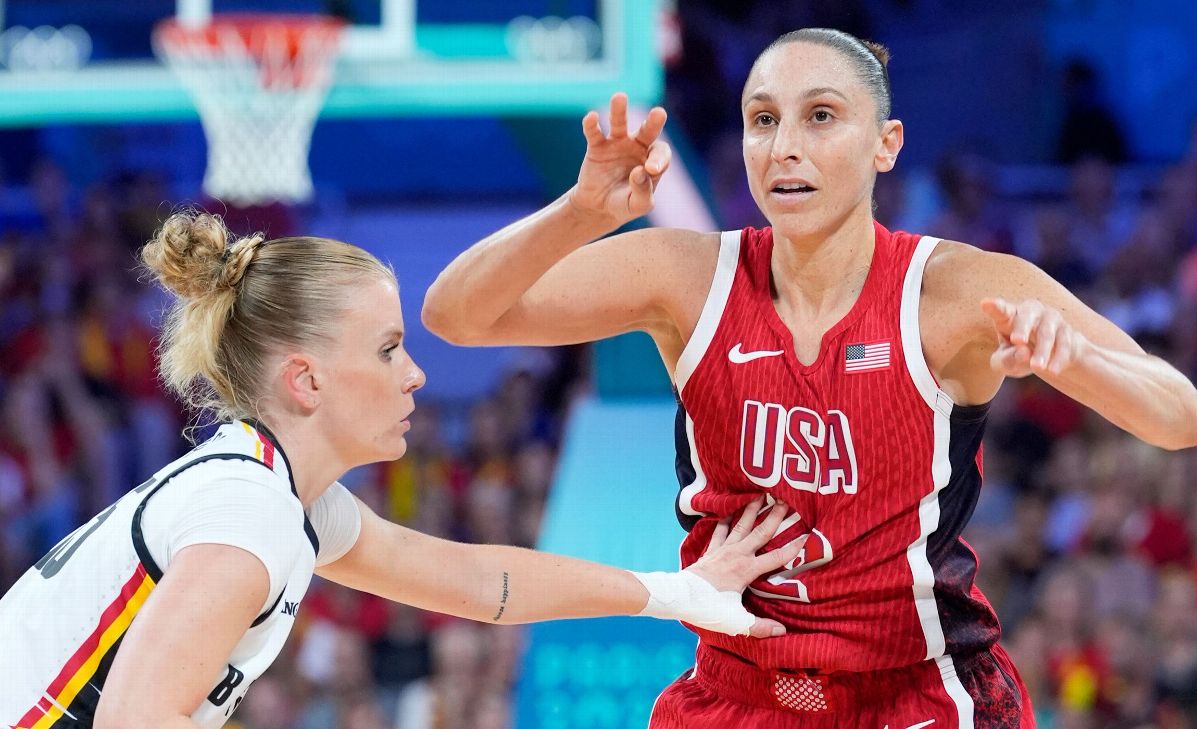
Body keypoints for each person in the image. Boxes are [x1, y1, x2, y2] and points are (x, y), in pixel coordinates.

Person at [421, 27, 1197, 728]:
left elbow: (1180, 416)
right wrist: (581, 212)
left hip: (918, 692)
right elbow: (456, 315)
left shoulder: (957, 290)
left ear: (886, 143)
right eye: (763, 119)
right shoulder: (687, 276)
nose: (784, 145)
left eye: (820, 116)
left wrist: (1081, 360)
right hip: (736, 692)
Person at [0, 211, 809, 729]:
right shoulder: (247, 515)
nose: (416, 374)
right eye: (389, 349)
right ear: (306, 379)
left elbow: (476, 579)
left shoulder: (286, 500)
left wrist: (675, 592)